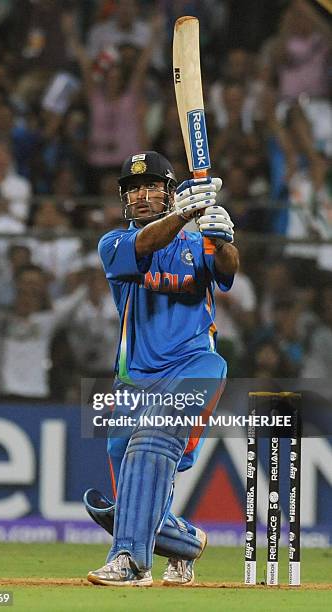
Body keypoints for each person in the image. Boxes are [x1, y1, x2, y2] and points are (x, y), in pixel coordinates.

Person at [84, 151, 239, 586]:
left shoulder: (196, 243)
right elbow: (147, 244)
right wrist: (188, 212)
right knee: (132, 481)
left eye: (152, 186)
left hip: (196, 365)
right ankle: (184, 544)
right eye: (133, 189)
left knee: (150, 444)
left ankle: (130, 562)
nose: (142, 195)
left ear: (169, 193)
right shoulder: (114, 244)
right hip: (135, 378)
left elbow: (228, 271)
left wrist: (223, 239)